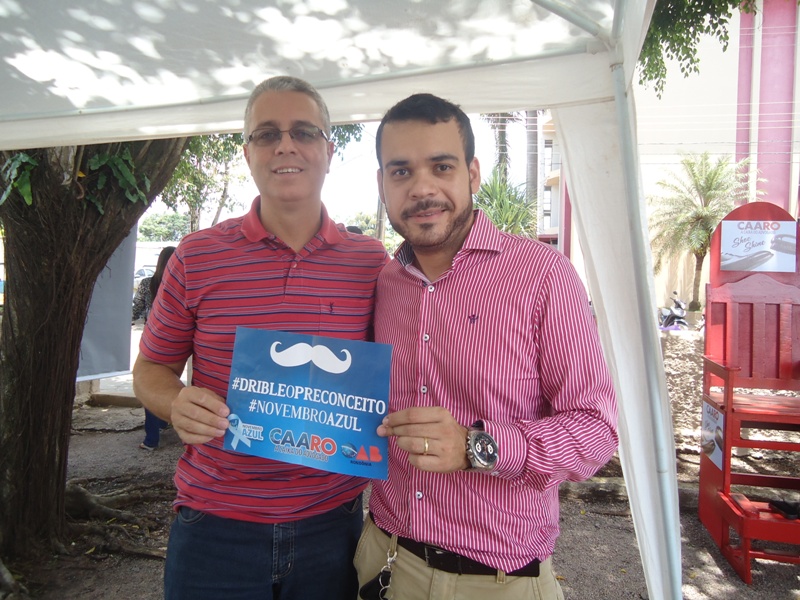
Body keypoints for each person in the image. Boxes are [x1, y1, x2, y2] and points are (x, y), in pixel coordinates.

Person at [132, 76, 389, 600]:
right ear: (248, 152)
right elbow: (150, 370)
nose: (285, 145)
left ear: (329, 151)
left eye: (304, 132)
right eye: (267, 133)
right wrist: (175, 402)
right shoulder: (197, 256)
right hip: (214, 527)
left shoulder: (371, 262)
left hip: (332, 525)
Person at [354, 93, 619, 600]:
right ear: (383, 184)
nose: (422, 188)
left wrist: (477, 447)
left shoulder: (542, 276)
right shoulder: (385, 283)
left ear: (472, 174)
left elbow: (596, 431)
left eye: (442, 166)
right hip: (384, 558)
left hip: (498, 582)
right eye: (401, 171)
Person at [131, 245, 176, 450]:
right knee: (169, 382)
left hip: (153, 340)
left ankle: (151, 439)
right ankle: (163, 421)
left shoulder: (147, 284)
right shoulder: (180, 283)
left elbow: (137, 310)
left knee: (152, 384)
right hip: (178, 341)